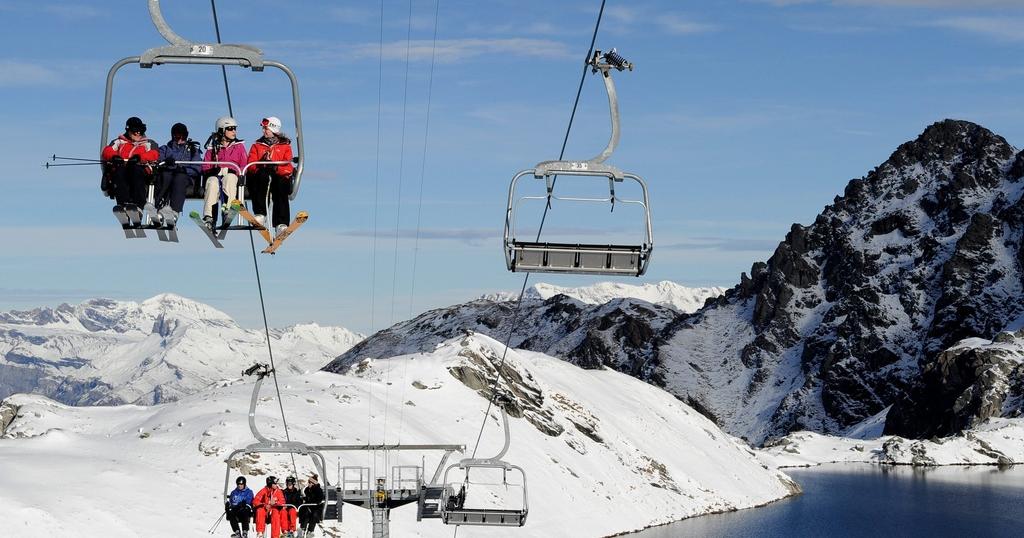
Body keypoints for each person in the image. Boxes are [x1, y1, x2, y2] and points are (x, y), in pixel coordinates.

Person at [247, 116, 294, 237]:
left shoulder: (285, 146)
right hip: (262, 175)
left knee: (281, 185)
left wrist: (276, 168)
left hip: (278, 177)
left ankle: (281, 223)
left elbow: (288, 166)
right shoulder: (257, 146)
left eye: (266, 129)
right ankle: (260, 214)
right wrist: (261, 165)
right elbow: (250, 164)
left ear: (273, 129)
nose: (263, 131)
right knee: (262, 177)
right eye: (263, 128)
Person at [101, 116, 159, 212]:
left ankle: (139, 205)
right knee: (119, 172)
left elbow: (154, 154)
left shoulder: (148, 143)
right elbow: (107, 151)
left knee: (136, 170)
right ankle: (122, 204)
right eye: (135, 131)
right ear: (128, 131)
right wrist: (114, 157)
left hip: (140, 169)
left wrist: (140, 158)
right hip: (122, 168)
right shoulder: (119, 142)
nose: (137, 133)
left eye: (140, 131)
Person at [201, 116, 248, 228]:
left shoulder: (239, 146)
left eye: (235, 128)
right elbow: (205, 165)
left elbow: (244, 164)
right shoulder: (213, 148)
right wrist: (212, 170)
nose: (234, 131)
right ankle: (209, 216)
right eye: (230, 128)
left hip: (232, 175)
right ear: (222, 130)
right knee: (212, 182)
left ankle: (229, 210)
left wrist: (235, 170)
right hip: (217, 175)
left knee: (229, 178)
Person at [155, 122, 202, 227]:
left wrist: (184, 170)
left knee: (179, 178)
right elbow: (159, 160)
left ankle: (174, 212)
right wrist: (167, 162)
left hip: (184, 178)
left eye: (183, 136)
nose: (180, 138)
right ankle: (161, 207)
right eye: (177, 136)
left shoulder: (193, 150)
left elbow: (197, 167)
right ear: (173, 135)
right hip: (168, 174)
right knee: (166, 176)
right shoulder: (165, 149)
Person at [298, 473, 324, 538]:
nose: (308, 484)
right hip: (309, 507)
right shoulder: (307, 489)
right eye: (308, 482)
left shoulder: (318, 490)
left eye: (310, 483)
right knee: (306, 513)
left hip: (316, 508)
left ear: (313, 483)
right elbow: (307, 498)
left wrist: (310, 501)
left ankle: (310, 531)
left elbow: (319, 499)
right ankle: (302, 529)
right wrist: (304, 498)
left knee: (314, 515)